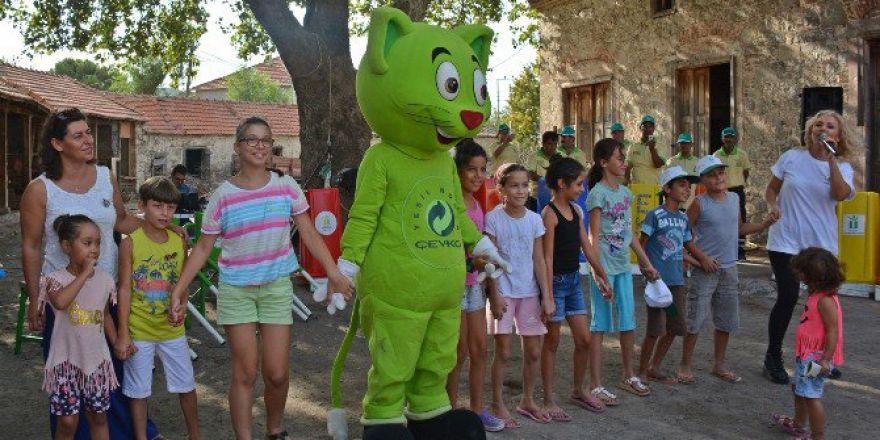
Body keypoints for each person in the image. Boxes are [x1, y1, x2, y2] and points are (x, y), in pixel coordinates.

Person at [168, 117, 353, 440]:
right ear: (238, 147)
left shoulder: (286, 187)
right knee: (245, 372)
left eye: (265, 140)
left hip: (276, 289)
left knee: (278, 374)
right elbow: (203, 247)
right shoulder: (222, 196)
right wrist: (180, 288)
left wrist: (334, 273)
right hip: (236, 291)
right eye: (251, 140)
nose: (259, 146)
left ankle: (274, 430)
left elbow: (308, 232)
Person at [20, 108, 164, 439]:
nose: (88, 140)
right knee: (71, 374)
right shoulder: (40, 190)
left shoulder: (104, 177)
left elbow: (121, 221)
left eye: (89, 133)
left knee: (113, 370)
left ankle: (124, 432)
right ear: (57, 143)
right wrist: (33, 300)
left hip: (107, 292)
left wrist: (160, 228)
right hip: (65, 302)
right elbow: (30, 246)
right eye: (78, 135)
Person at [763, 110, 856, 385]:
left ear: (838, 136)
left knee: (824, 304)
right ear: (810, 130)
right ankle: (773, 357)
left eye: (830, 126)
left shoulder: (843, 167)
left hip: (821, 245)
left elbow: (839, 195)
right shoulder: (791, 157)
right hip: (786, 240)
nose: (823, 129)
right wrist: (772, 206)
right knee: (788, 297)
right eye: (818, 124)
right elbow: (771, 190)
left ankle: (825, 359)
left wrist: (831, 161)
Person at [115, 177, 201, 440]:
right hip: (139, 330)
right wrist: (123, 333)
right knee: (138, 391)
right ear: (142, 205)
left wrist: (183, 305)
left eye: (171, 207)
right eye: (158, 206)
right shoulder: (130, 242)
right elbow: (125, 289)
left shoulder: (179, 241)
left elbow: (182, 282)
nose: (165, 213)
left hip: (172, 331)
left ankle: (195, 435)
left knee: (186, 385)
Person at [680, 155, 775, 384]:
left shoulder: (734, 199)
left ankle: (719, 364)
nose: (718, 178)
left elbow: (740, 228)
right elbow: (683, 234)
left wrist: (763, 225)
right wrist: (701, 258)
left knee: (725, 320)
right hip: (705, 269)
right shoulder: (699, 203)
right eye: (711, 175)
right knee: (695, 319)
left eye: (720, 173)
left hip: (730, 267)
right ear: (702, 180)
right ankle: (685, 364)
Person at [585, 138, 660, 405]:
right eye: (619, 158)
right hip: (604, 269)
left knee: (627, 321)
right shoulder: (597, 194)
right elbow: (592, 237)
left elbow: (629, 234)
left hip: (623, 269)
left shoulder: (626, 194)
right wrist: (597, 272)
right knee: (600, 324)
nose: (624, 162)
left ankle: (628, 376)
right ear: (603, 163)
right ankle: (595, 384)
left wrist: (646, 263)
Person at [539, 157, 610, 420]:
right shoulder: (549, 215)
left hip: (573, 283)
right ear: (562, 183)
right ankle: (547, 400)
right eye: (579, 183)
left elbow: (586, 247)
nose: (582, 189)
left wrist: (602, 276)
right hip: (555, 285)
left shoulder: (576, 211)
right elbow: (546, 257)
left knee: (584, 340)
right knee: (552, 342)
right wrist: (547, 295)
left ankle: (578, 391)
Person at [486, 163, 554, 427]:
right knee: (502, 352)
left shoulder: (535, 220)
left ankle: (527, 400)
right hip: (504, 294)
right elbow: (490, 260)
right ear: (501, 188)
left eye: (525, 185)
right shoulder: (493, 219)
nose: (520, 190)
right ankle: (497, 403)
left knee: (534, 352)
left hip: (530, 294)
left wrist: (546, 296)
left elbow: (539, 259)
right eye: (514, 185)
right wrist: (495, 295)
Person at [41, 215, 119, 440]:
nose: (94, 249)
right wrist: (84, 274)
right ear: (66, 246)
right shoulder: (54, 279)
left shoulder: (105, 280)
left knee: (99, 416)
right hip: (65, 363)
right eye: (87, 243)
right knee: (67, 422)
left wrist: (117, 343)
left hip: (96, 362)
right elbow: (61, 302)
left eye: (97, 243)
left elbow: (104, 316)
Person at [446, 140, 506, 433]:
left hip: (474, 286)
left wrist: (493, 289)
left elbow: (481, 252)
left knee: (479, 348)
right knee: (457, 352)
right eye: (472, 169)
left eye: (483, 170)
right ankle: (449, 411)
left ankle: (477, 410)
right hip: (453, 286)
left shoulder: (479, 203)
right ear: (457, 170)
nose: (478, 175)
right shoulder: (450, 202)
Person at [636, 166, 713, 384]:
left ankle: (654, 366)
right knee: (654, 329)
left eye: (689, 186)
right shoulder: (655, 216)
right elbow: (641, 246)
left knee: (676, 327)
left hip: (676, 283)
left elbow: (684, 245)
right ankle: (642, 371)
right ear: (667, 188)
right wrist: (647, 270)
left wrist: (701, 261)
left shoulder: (683, 218)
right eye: (681, 185)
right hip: (657, 284)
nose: (687, 190)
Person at [772, 247, 845, 440]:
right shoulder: (817, 295)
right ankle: (798, 424)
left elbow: (833, 332)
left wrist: (826, 360)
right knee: (799, 388)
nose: (800, 277)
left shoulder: (826, 301)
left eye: (803, 274)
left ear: (813, 277)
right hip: (807, 356)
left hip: (816, 359)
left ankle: (817, 436)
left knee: (811, 395)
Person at [713, 127, 751, 260]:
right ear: (722, 139)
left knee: (740, 219)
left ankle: (740, 250)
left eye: (731, 137)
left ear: (736, 139)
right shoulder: (717, 155)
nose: (729, 139)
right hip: (722, 190)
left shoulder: (741, 154)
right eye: (726, 137)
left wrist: (739, 182)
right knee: (721, 219)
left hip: (737, 190)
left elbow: (746, 172)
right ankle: (723, 249)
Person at [625, 115, 666, 185]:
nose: (648, 129)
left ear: (653, 129)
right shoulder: (633, 146)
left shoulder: (660, 145)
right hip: (637, 188)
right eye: (645, 126)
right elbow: (628, 167)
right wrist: (627, 182)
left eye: (650, 126)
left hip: (654, 188)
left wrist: (652, 149)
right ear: (640, 128)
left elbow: (658, 165)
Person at [527, 131, 559, 212]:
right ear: (543, 144)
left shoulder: (559, 156)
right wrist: (544, 180)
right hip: (536, 197)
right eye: (549, 144)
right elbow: (530, 174)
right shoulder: (534, 156)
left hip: (554, 197)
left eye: (555, 144)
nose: (553, 147)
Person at [665, 133, 699, 208]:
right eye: (682, 143)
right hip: (675, 202)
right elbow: (666, 182)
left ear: (691, 144)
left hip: (691, 203)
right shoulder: (671, 161)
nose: (684, 145)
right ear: (678, 145)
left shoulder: (698, 162)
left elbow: (700, 183)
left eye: (687, 143)